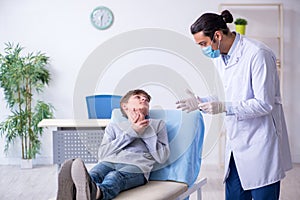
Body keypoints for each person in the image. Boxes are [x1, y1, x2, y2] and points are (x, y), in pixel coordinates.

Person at [176, 10, 292, 200]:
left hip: (260, 143)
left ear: (218, 36)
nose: (203, 49)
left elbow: (264, 104)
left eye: (203, 44)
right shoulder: (221, 58)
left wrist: (224, 107)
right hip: (236, 147)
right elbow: (224, 95)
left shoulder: (257, 54)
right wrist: (200, 101)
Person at [56, 89, 170, 200]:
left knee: (114, 177)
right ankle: (71, 192)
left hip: (137, 167)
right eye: (138, 97)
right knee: (93, 175)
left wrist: (146, 130)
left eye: (146, 100)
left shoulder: (157, 125)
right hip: (109, 162)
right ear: (125, 106)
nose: (144, 99)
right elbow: (102, 154)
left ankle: (95, 193)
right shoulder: (114, 126)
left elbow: (162, 157)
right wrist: (132, 132)